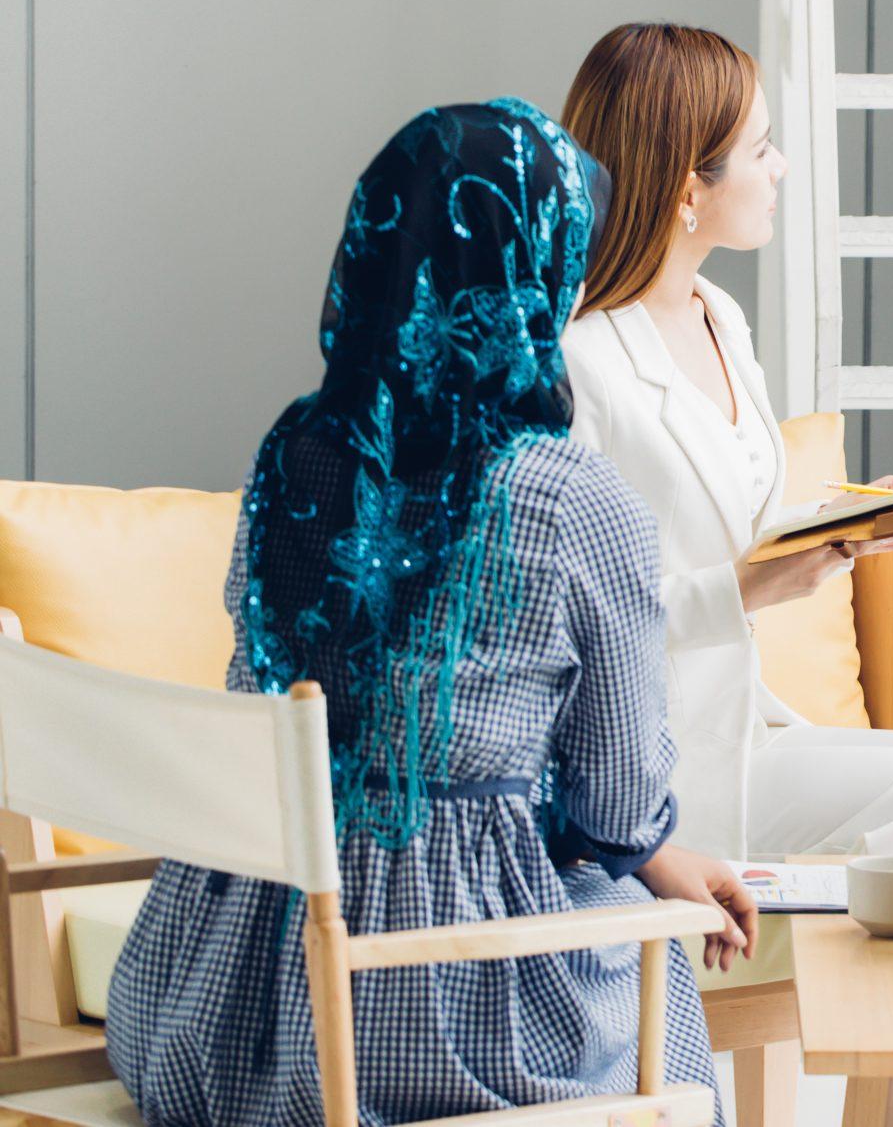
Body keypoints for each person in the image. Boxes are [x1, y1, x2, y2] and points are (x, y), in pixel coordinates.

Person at [108, 100, 752, 1124]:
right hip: (432, 995)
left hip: (219, 1003)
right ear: (535, 275)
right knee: (646, 945)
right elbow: (616, 804)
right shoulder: (573, 499)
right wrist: (656, 857)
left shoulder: (299, 452)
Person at [558, 23, 893, 858]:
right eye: (761, 149)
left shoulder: (718, 317)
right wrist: (746, 590)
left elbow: (727, 516)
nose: (781, 168)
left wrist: (856, 516)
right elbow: (559, 625)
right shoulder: (578, 364)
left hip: (749, 727)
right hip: (647, 765)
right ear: (687, 186)